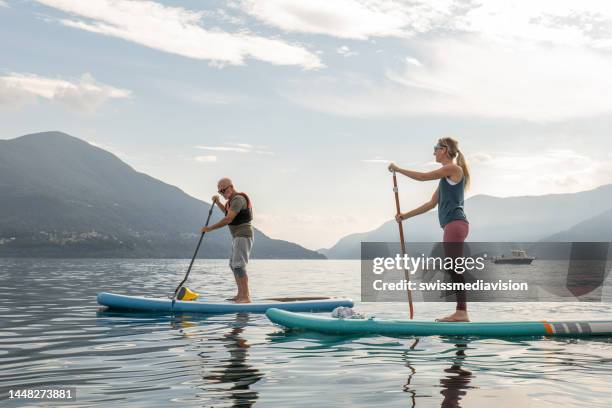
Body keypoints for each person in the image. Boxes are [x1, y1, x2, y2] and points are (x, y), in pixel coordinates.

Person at [388, 137, 471, 322]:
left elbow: (423, 177)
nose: (433, 152)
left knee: (454, 268)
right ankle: (461, 312)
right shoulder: (445, 179)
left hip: (455, 225)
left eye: (435, 148)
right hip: (453, 226)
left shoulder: (453, 169)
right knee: (453, 268)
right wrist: (404, 216)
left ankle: (462, 313)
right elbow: (430, 204)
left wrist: (398, 169)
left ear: (445, 150)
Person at [201, 178, 254, 303]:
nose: (222, 193)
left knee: (239, 265)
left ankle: (245, 297)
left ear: (231, 187)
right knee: (233, 265)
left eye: (223, 190)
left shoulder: (238, 199)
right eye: (220, 192)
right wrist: (218, 202)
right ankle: (240, 295)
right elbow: (227, 212)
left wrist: (210, 228)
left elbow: (228, 219)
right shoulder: (232, 201)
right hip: (237, 236)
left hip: (243, 235)